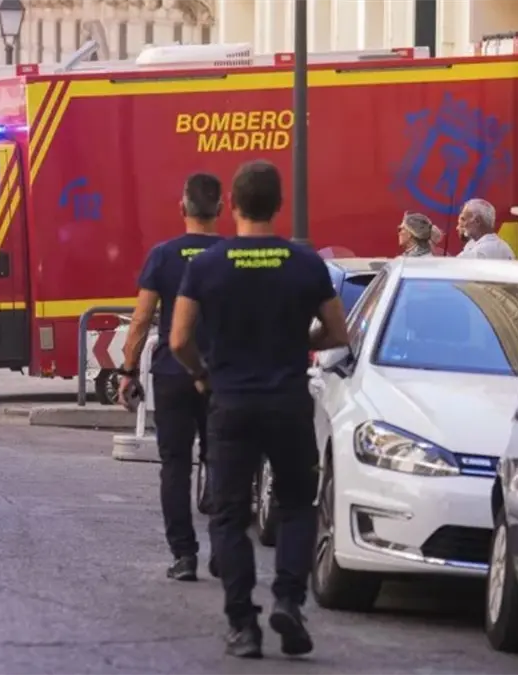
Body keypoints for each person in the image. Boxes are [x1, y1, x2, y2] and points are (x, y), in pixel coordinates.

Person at [169, 160, 349, 659]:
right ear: (278, 204)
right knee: (296, 505)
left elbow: (179, 338)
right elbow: (338, 333)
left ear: (233, 204)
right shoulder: (305, 264)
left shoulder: (205, 266)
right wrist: (300, 341)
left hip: (230, 403)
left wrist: (203, 372)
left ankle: (243, 625)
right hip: (288, 403)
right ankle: (289, 600)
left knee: (230, 515)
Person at [119, 173, 223, 582]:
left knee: (175, 466)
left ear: (182, 208)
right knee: (221, 461)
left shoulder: (162, 255)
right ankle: (222, 548)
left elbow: (141, 321)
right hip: (220, 375)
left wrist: (129, 372)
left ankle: (184, 556)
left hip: (172, 372)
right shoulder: (231, 254)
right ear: (219, 208)